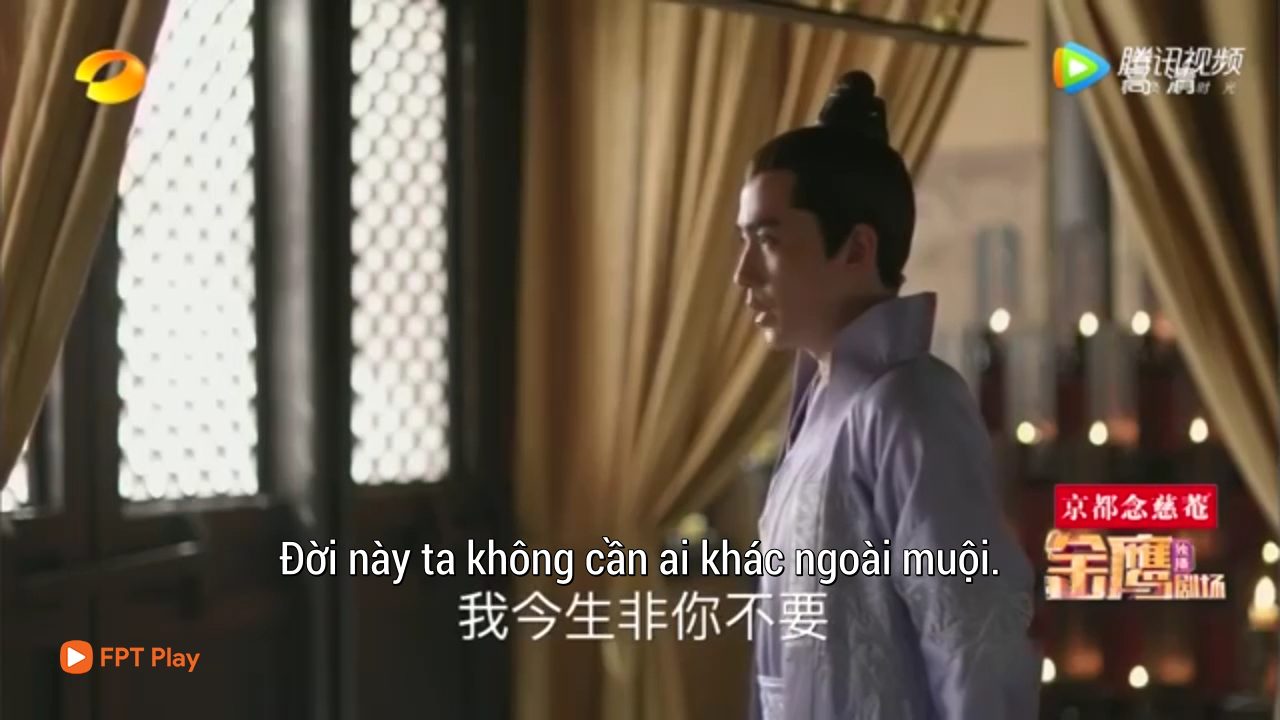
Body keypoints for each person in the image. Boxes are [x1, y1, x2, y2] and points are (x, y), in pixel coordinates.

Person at [734, 70, 1040, 720]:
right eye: (745, 241)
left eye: (768, 240)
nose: (744, 273)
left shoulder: (911, 405)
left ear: (857, 247)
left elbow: (972, 642)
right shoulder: (819, 408)